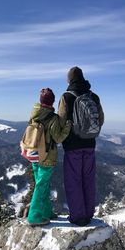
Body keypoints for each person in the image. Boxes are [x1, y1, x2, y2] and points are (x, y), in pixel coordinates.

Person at [58, 66, 104, 226]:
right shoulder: (94, 96)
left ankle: (78, 216)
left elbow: (61, 121)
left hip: (72, 147)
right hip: (90, 145)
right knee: (89, 180)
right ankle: (89, 213)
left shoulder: (67, 97)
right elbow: (101, 120)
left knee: (74, 181)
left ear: (69, 79)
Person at [27, 88, 72, 226]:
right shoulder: (53, 118)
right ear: (52, 101)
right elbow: (57, 138)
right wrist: (67, 127)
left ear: (41, 100)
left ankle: (46, 212)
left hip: (34, 154)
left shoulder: (34, 114)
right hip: (47, 156)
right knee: (41, 186)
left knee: (43, 185)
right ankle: (34, 216)